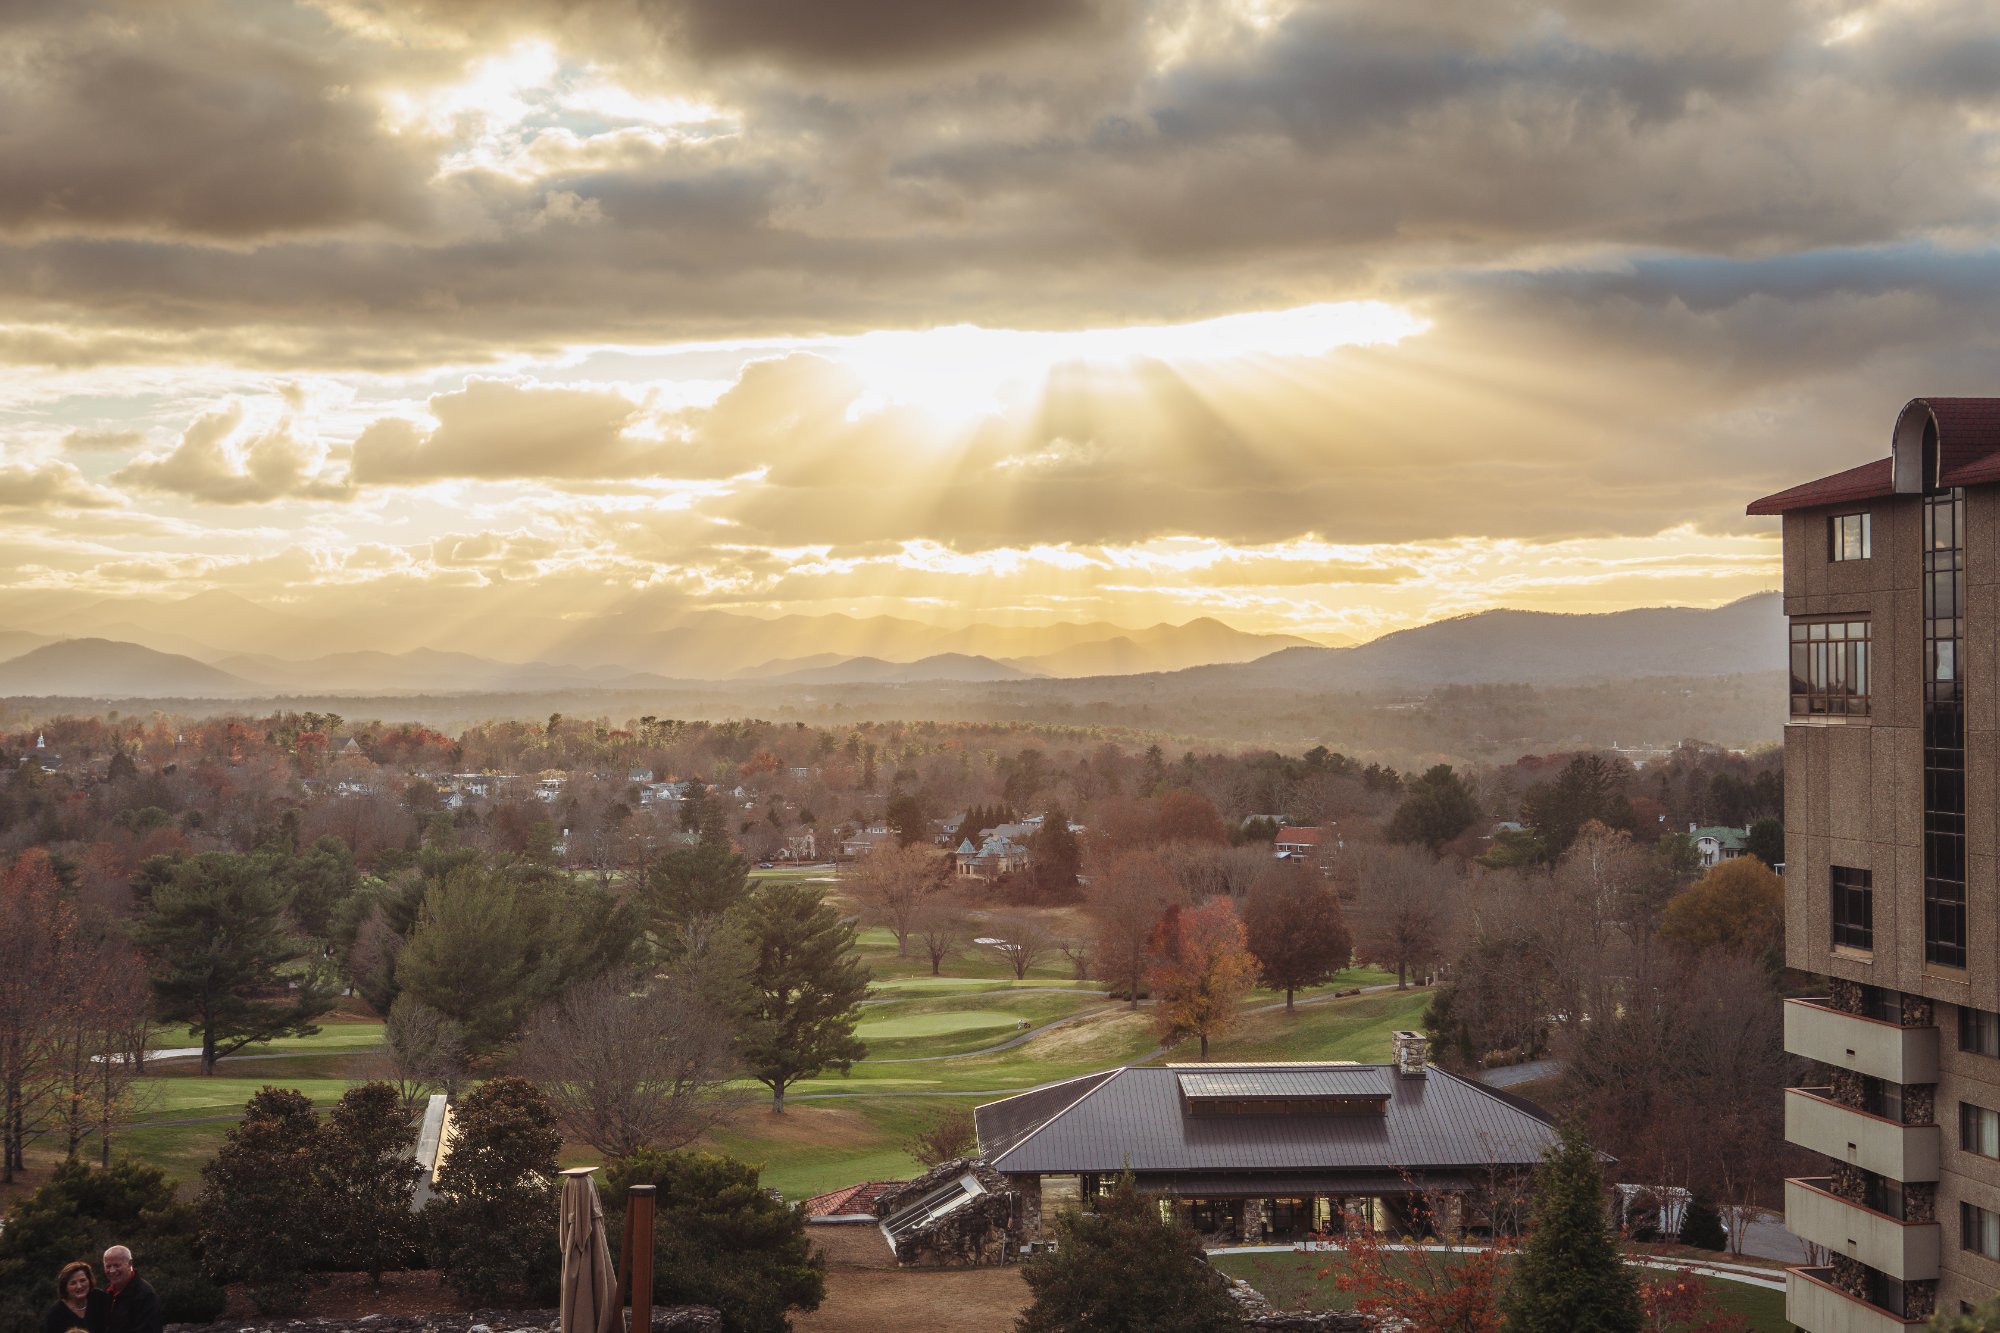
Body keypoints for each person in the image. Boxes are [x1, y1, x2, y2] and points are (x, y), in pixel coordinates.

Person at [99, 1247, 160, 1333]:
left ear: (130, 1264)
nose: (112, 1270)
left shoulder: (145, 1295)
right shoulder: (107, 1292)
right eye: (108, 1266)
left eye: (117, 1265)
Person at [42, 1260, 107, 1333]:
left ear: (89, 1280)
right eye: (73, 1283)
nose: (79, 1286)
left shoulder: (99, 1298)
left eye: (82, 1280)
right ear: (65, 1287)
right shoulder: (56, 1313)